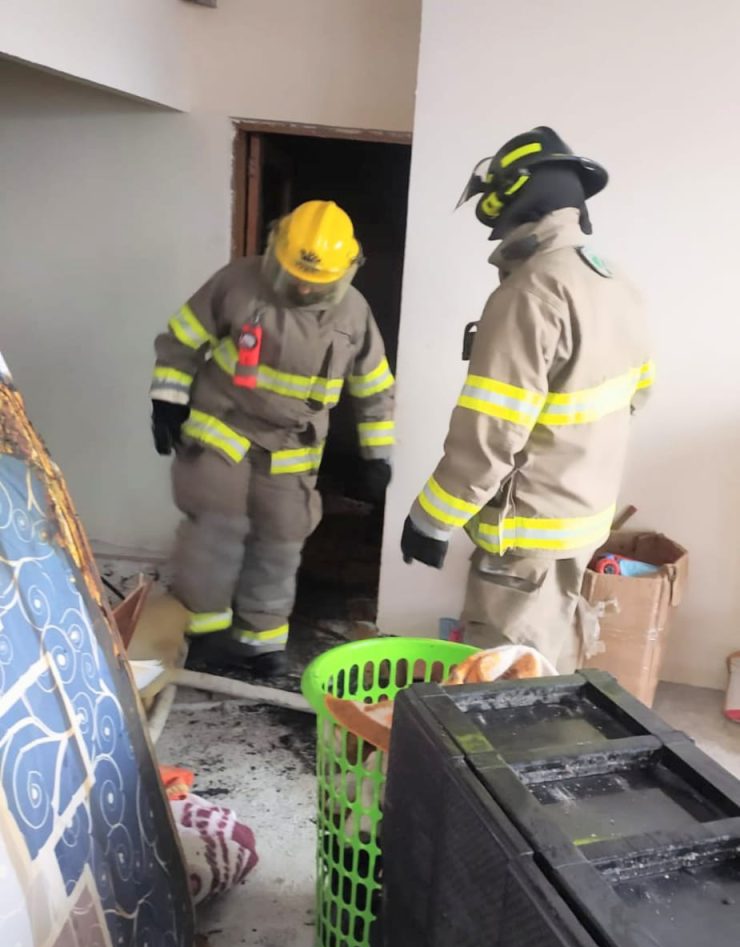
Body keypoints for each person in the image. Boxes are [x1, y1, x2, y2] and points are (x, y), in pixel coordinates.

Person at [401, 127, 654, 667]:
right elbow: (640, 394)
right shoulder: (615, 282)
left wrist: (432, 519)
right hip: (583, 519)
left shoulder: (531, 291)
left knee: (502, 680)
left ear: (512, 201)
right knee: (549, 662)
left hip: (528, 535)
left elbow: (490, 434)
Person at [150, 200, 395, 676]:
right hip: (223, 428)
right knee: (217, 529)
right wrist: (167, 400)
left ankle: (258, 642)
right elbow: (181, 341)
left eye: (316, 282)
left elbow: (374, 389)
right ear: (273, 250)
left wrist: (376, 457)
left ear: (347, 270)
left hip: (292, 446)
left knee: (281, 539)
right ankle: (202, 632)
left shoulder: (354, 314)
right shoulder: (236, 284)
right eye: (292, 275)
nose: (302, 287)